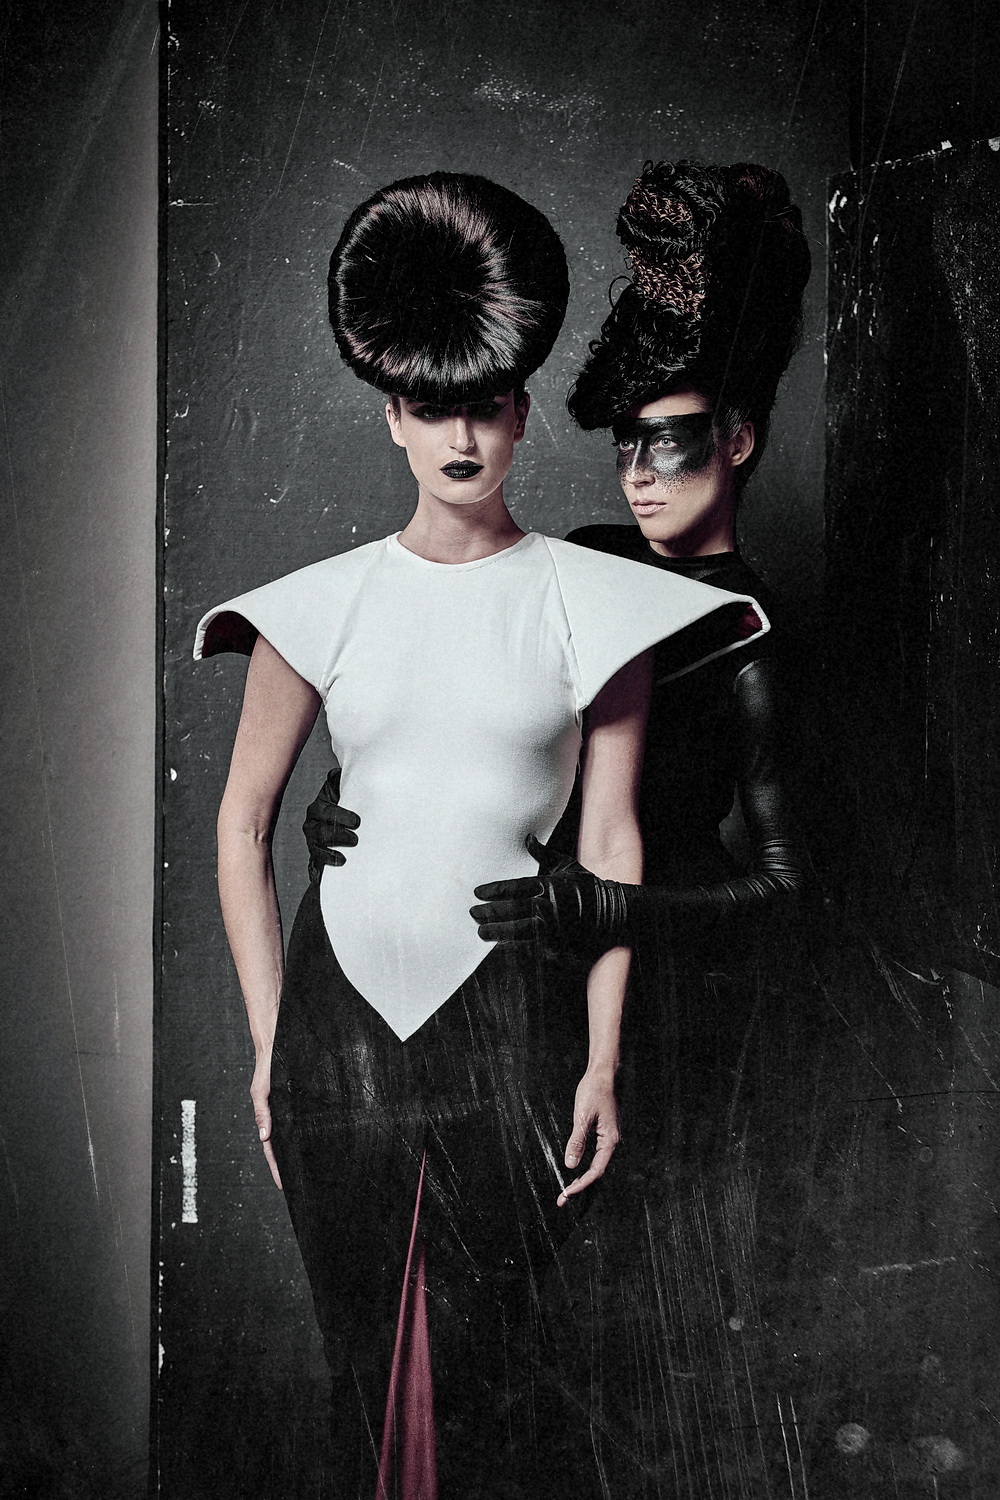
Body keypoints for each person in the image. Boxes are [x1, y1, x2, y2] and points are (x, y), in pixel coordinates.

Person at [195, 171, 767, 1500]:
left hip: (512, 1021)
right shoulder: (318, 605)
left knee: (494, 1383)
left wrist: (602, 1059)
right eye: (428, 405)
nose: (460, 436)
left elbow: (611, 844)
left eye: (488, 404)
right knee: (359, 1377)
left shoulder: (596, 602)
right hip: (335, 1027)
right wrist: (270, 1041)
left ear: (520, 409)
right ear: (391, 415)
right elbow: (241, 825)